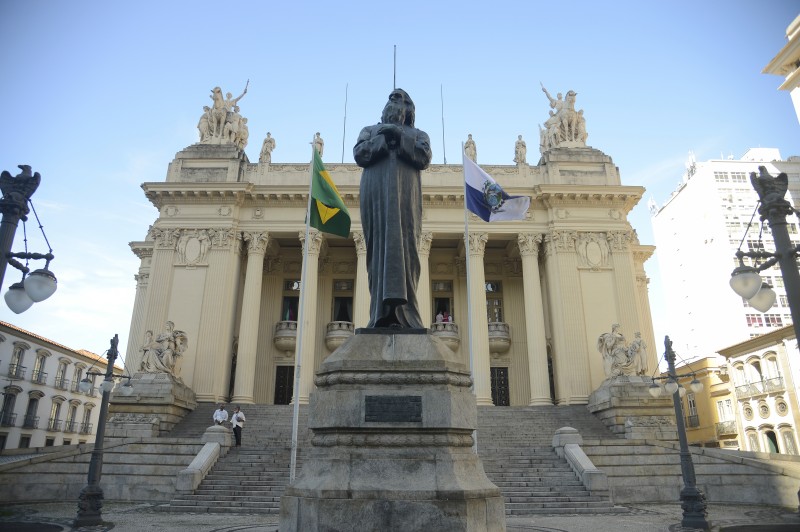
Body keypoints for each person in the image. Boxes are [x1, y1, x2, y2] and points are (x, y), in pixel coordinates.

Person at [354, 89, 432, 328]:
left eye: (401, 100)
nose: (395, 103)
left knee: (407, 251)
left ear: (410, 110)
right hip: (376, 197)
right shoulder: (369, 130)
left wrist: (400, 137)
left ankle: (406, 315)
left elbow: (424, 157)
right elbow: (360, 154)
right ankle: (379, 314)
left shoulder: (418, 134)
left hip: (405, 198)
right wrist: (383, 138)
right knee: (378, 252)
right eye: (392, 99)